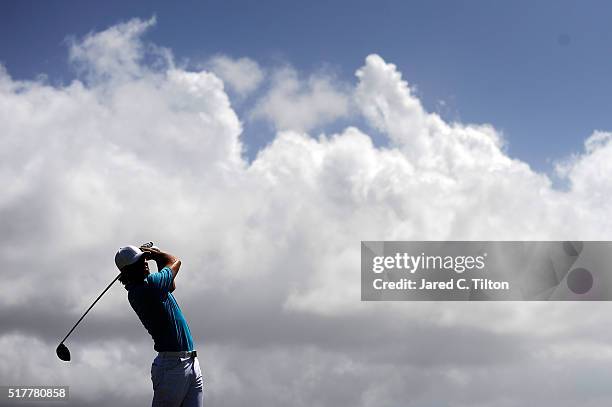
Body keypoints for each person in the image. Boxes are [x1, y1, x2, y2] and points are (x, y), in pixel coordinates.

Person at [115, 244, 203, 407]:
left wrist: (154, 258)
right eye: (139, 261)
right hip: (172, 367)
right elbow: (175, 261)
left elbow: (171, 285)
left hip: (189, 361)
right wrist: (157, 254)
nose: (145, 262)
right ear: (127, 272)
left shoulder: (147, 286)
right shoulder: (149, 286)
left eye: (143, 258)